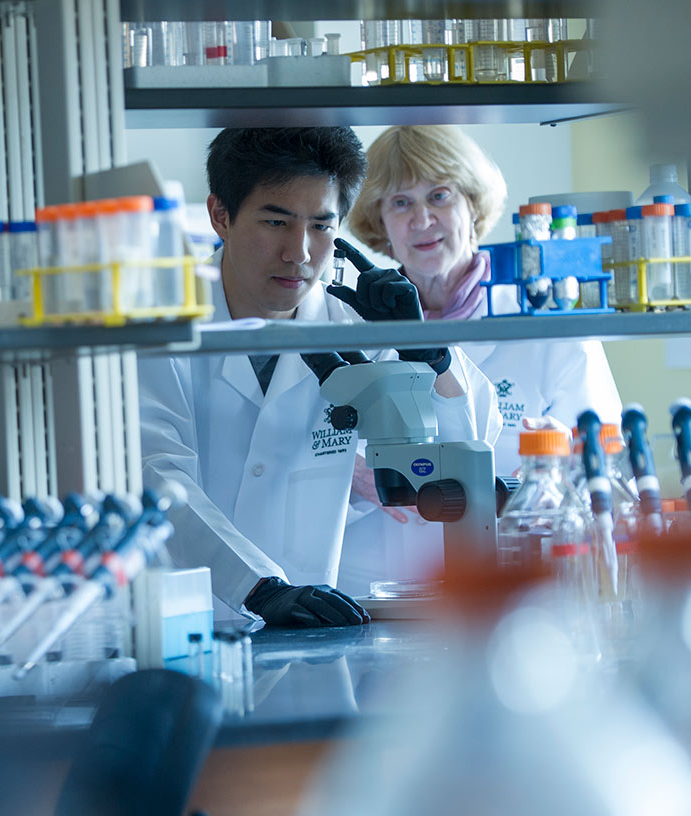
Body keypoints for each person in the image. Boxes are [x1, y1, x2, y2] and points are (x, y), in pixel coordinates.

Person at [138, 127, 501, 628]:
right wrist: (259, 588)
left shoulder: (355, 326)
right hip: (182, 631)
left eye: (321, 226)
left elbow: (468, 450)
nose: (300, 252)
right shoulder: (161, 326)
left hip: (310, 636)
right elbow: (158, 476)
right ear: (221, 215)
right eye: (275, 222)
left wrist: (430, 353)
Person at [338, 125, 621, 595]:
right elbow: (311, 460)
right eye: (401, 203)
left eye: (440, 196)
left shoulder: (549, 330)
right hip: (379, 592)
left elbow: (602, 472)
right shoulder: (351, 328)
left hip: (517, 590)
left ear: (473, 204)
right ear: (380, 223)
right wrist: (350, 475)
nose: (422, 219)